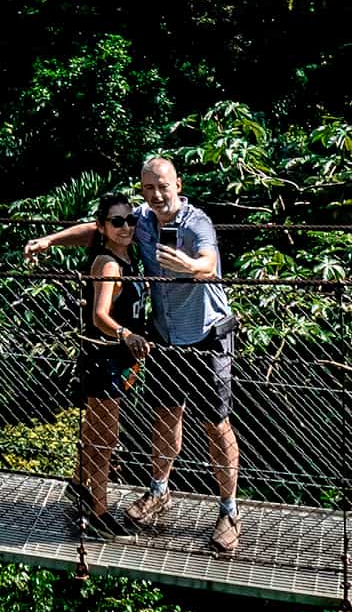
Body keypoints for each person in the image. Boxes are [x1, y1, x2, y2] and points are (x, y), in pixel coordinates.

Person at [127, 154, 242, 555]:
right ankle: (159, 491)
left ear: (178, 184)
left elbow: (209, 263)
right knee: (164, 417)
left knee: (216, 423)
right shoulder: (140, 220)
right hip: (166, 336)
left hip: (207, 335)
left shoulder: (197, 223)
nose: (156, 194)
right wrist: (49, 240)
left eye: (163, 186)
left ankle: (229, 510)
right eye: (148, 188)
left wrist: (191, 265)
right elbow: (97, 228)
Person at [22, 193, 150, 535]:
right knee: (106, 436)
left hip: (117, 357)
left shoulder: (123, 251)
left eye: (130, 220)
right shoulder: (108, 263)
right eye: (117, 222)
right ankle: (98, 509)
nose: (126, 227)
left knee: (97, 431)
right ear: (104, 227)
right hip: (105, 355)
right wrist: (128, 334)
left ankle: (80, 484)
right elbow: (99, 315)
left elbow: (83, 231)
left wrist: (49, 240)